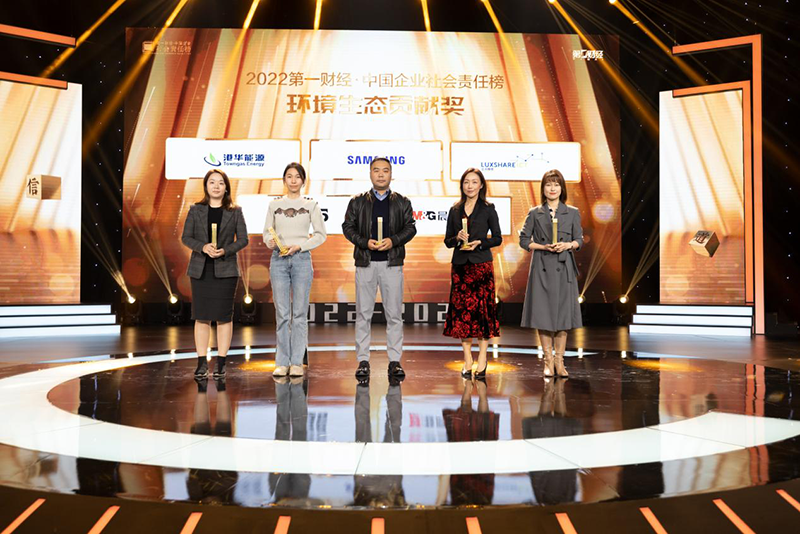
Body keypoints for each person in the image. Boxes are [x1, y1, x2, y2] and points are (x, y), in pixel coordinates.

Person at [342, 157, 417, 380]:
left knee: (394, 315)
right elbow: (348, 227)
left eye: (385, 170)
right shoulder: (357, 202)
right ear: (370, 174)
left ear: (391, 174)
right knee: (363, 314)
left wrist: (393, 241)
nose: (381, 174)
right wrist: (365, 242)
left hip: (392, 264)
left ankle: (394, 361)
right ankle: (363, 361)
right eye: (376, 170)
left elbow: (411, 228)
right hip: (365, 263)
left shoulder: (402, 202)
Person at [181, 169, 249, 379]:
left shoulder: (235, 211)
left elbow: (243, 239)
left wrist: (225, 250)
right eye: (212, 182)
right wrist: (203, 247)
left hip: (226, 270)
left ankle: (221, 363)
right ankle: (202, 363)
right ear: (206, 186)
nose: (216, 186)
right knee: (201, 317)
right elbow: (186, 237)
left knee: (223, 317)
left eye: (221, 182)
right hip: (201, 270)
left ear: (226, 187)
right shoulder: (195, 210)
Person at [264, 163, 327, 378]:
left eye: (297, 177)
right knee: (282, 314)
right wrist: (270, 241)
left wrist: (300, 246)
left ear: (303, 181)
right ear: (284, 180)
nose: (293, 180)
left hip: (301, 260)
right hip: (279, 260)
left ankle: (297, 362)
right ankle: (282, 362)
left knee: (299, 314)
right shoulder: (274, 205)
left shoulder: (311, 205)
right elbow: (267, 233)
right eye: (289, 176)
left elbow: (320, 235)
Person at [519, 169, 583, 378]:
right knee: (543, 316)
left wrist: (568, 245)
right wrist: (543, 247)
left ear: (562, 188)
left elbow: (579, 240)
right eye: (548, 184)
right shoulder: (534, 212)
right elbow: (523, 240)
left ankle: (560, 361)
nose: (552, 188)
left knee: (563, 317)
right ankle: (547, 361)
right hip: (542, 268)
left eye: (556, 184)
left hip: (564, 268)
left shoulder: (572, 212)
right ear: (543, 188)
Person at [442, 168, 502, 379]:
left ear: (481, 185)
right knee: (462, 314)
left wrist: (480, 243)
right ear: (462, 185)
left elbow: (497, 238)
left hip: (481, 266)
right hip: (460, 267)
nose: (470, 186)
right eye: (466, 182)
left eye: (474, 182)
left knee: (482, 313)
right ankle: (467, 358)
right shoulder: (455, 209)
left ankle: (483, 358)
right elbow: (447, 241)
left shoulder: (488, 209)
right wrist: (457, 238)